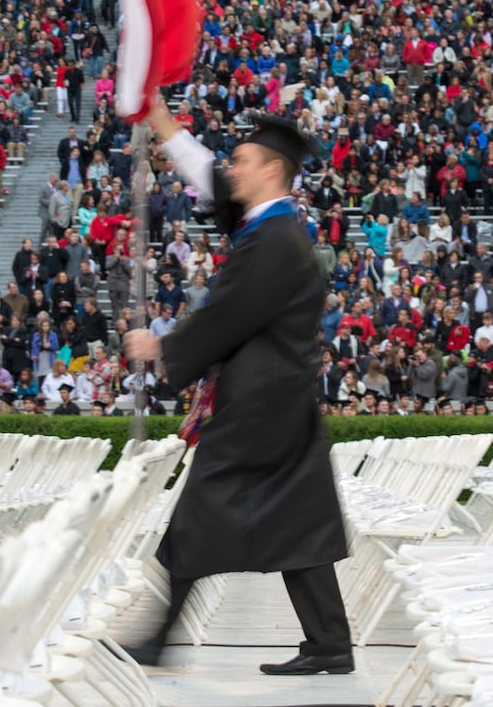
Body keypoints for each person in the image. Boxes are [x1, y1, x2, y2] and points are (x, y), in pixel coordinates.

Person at [123, 102, 352, 675]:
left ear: (271, 171)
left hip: (259, 408)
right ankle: (330, 644)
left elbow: (230, 313)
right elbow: (212, 180)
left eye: (243, 161)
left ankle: (159, 638)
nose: (234, 170)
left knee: (198, 515)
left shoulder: (275, 241)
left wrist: (164, 347)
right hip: (277, 404)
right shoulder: (269, 228)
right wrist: (167, 127)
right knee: (299, 523)